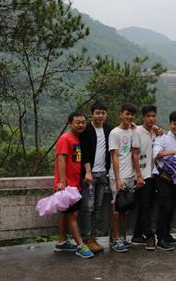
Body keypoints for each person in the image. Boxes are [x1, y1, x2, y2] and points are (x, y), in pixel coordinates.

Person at [53, 111, 94, 259]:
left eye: (83, 122)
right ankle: (80, 245)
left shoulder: (77, 139)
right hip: (67, 185)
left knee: (65, 213)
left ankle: (62, 242)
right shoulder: (65, 139)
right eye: (77, 122)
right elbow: (61, 160)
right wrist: (62, 182)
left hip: (75, 184)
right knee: (73, 215)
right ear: (70, 124)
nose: (81, 125)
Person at [108, 103, 143, 253]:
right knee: (117, 209)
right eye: (127, 114)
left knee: (124, 208)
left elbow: (135, 154)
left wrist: (137, 175)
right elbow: (115, 156)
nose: (129, 117)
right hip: (118, 176)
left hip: (129, 176)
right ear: (121, 114)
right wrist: (117, 179)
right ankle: (115, 239)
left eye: (132, 115)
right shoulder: (115, 133)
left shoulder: (132, 131)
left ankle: (120, 237)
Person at [79, 102, 111, 253]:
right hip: (90, 175)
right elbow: (84, 152)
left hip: (103, 174)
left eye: (103, 113)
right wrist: (88, 172)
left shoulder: (108, 130)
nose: (100, 115)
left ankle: (93, 236)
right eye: (98, 113)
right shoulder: (86, 130)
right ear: (92, 114)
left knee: (98, 207)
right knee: (88, 207)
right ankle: (87, 238)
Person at [152, 110, 176, 251]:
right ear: (170, 124)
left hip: (175, 179)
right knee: (165, 205)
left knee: (172, 206)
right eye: (174, 124)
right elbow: (156, 154)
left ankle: (166, 234)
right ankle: (160, 238)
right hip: (161, 177)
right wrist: (171, 152)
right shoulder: (163, 138)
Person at [132, 105, 161, 251]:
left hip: (152, 174)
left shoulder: (155, 133)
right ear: (143, 117)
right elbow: (135, 154)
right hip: (142, 175)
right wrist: (138, 175)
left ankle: (137, 235)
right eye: (148, 116)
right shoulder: (137, 131)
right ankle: (150, 236)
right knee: (144, 206)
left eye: (153, 116)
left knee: (147, 206)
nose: (151, 118)